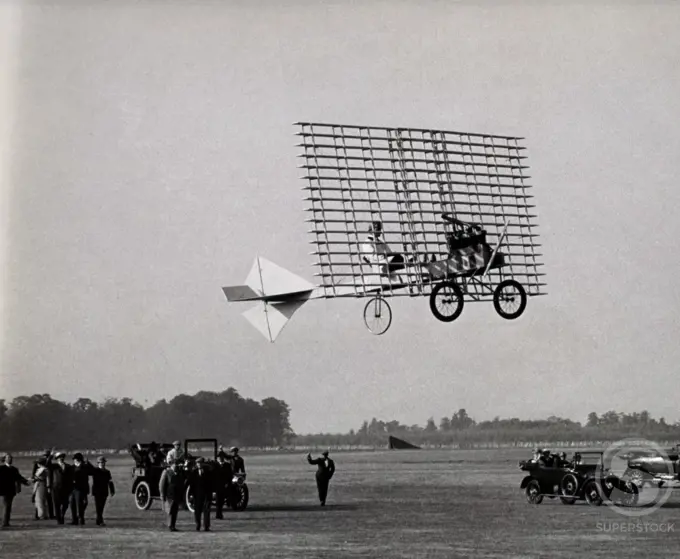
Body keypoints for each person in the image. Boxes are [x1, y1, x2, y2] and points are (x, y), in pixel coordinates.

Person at [0, 453, 30, 528]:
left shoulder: (14, 469)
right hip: (4, 490)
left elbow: (19, 477)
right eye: (8, 458)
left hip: (11, 490)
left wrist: (26, 482)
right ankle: (4, 522)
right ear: (4, 459)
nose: (10, 459)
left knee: (8, 506)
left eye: (11, 458)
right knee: (6, 506)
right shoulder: (1, 468)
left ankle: (6, 522)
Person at [159, 458, 184, 532]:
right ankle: (170, 525)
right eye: (174, 464)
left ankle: (173, 525)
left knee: (175, 511)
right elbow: (161, 484)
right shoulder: (166, 472)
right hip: (169, 495)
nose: (176, 466)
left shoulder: (178, 472)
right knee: (170, 510)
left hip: (176, 495)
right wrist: (162, 494)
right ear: (171, 465)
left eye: (177, 464)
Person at [187, 457, 212, 531]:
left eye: (201, 463)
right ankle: (198, 525)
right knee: (197, 511)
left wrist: (211, 493)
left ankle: (206, 526)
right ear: (196, 464)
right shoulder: (193, 473)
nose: (199, 464)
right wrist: (191, 494)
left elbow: (211, 484)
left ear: (203, 464)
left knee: (206, 511)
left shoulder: (208, 472)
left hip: (206, 494)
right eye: (198, 463)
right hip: (197, 495)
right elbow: (191, 484)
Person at [69, 453, 94, 525]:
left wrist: (88, 463)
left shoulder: (85, 467)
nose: (74, 461)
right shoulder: (71, 468)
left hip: (81, 489)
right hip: (72, 489)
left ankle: (80, 519)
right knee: (72, 504)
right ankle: (74, 519)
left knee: (80, 504)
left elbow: (92, 472)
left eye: (75, 459)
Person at [91, 456, 115, 526]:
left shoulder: (107, 472)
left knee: (101, 507)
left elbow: (110, 482)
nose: (102, 464)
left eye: (103, 462)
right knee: (98, 507)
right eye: (101, 462)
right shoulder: (95, 470)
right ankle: (101, 521)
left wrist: (112, 490)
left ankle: (98, 520)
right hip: (97, 492)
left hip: (104, 491)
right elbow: (89, 468)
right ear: (98, 463)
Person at [50, 451, 72, 525]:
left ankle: (62, 515)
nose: (61, 458)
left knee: (65, 504)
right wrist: (51, 456)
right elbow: (46, 465)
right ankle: (59, 520)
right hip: (56, 488)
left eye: (62, 457)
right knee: (57, 505)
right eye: (59, 457)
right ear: (57, 459)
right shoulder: (54, 466)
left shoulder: (68, 466)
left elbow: (70, 478)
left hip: (66, 488)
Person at [214, 452, 233, 520]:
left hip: (224, 485)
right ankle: (218, 514)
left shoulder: (227, 465)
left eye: (221, 457)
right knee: (218, 500)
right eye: (219, 457)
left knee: (221, 501)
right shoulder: (215, 465)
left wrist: (228, 483)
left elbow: (230, 475)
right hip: (217, 485)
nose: (220, 458)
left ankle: (219, 513)